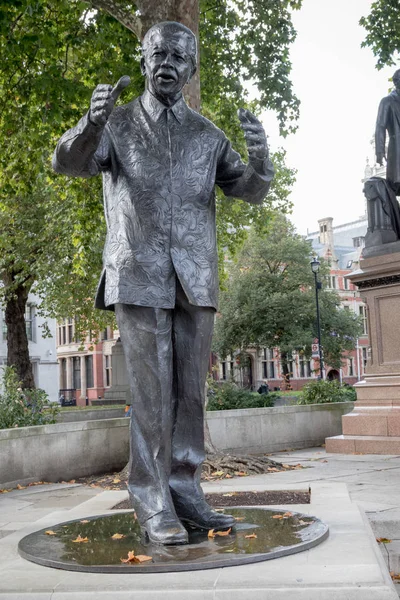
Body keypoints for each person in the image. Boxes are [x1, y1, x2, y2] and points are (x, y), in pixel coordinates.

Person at [53, 21, 274, 545]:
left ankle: (186, 489)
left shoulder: (207, 135)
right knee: (151, 397)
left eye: (178, 56)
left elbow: (248, 190)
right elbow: (68, 161)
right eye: (158, 54)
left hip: (194, 278)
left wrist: (261, 158)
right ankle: (152, 499)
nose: (167, 63)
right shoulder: (118, 125)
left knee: (190, 396)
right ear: (145, 59)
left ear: (191, 67)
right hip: (138, 272)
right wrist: (90, 121)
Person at [375, 69, 400, 195]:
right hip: (397, 149)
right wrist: (380, 151)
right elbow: (380, 126)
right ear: (397, 82)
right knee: (396, 185)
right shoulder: (387, 101)